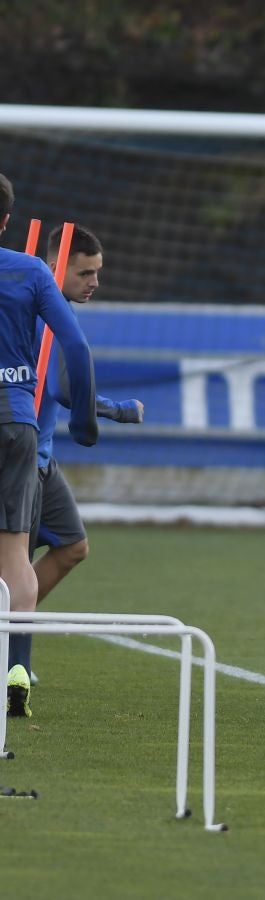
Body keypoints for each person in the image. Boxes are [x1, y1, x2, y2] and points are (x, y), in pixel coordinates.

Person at [24, 225, 145, 687]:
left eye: (98, 271)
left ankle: (12, 643)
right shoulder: (40, 312)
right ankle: (13, 661)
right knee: (16, 564)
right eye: (85, 271)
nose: (95, 281)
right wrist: (116, 410)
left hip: (41, 456)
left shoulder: (50, 305)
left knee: (71, 546)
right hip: (22, 457)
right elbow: (63, 387)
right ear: (57, 265)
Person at [0, 173, 99, 719]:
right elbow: (76, 348)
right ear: (8, 221)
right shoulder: (31, 272)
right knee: (15, 552)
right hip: (15, 423)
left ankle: (14, 658)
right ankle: (15, 665)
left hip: (28, 438)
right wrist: (87, 416)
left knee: (60, 545)